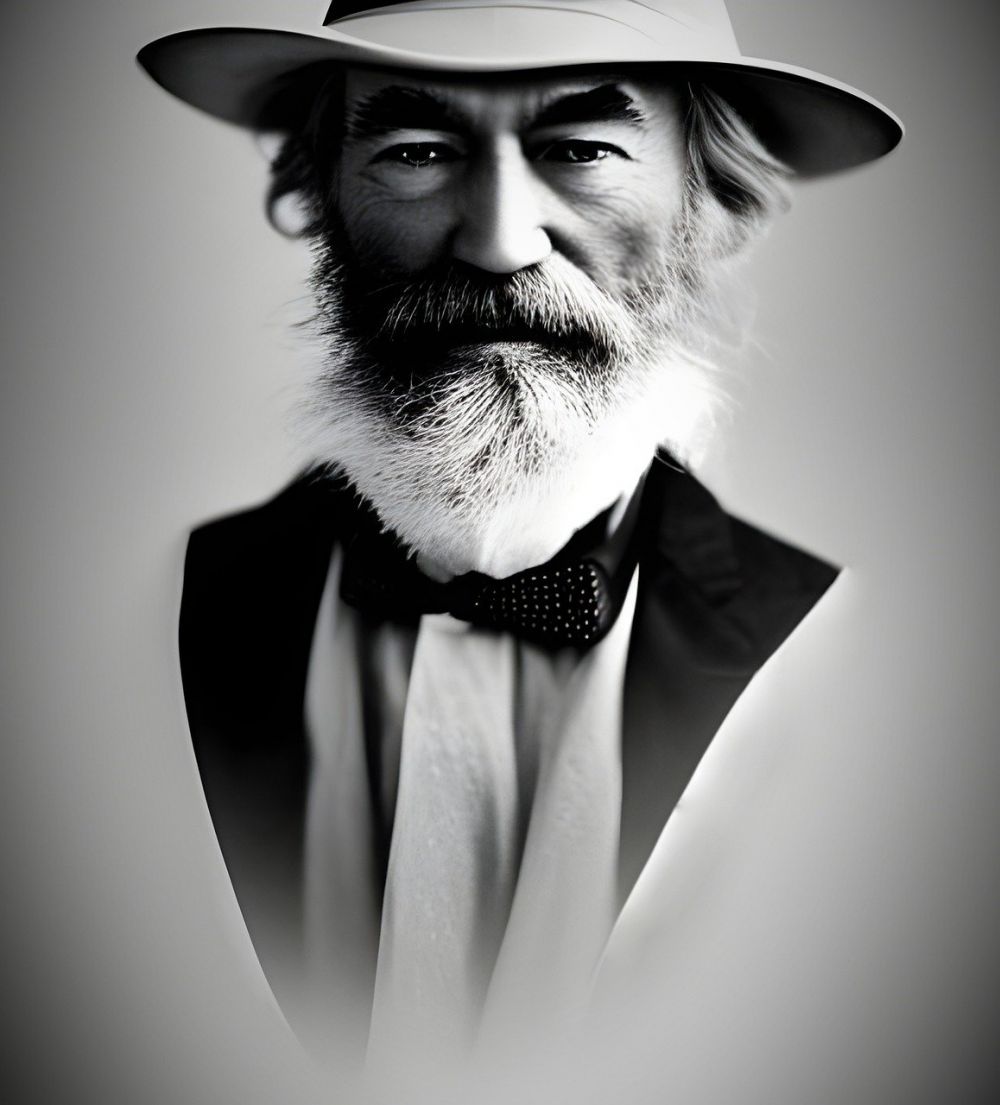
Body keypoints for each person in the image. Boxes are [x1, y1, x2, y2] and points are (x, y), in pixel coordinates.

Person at [138, 0, 902, 1083]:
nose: (498, 242)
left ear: (716, 205)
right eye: (417, 152)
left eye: (579, 150)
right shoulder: (139, 626)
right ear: (320, 197)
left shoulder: (854, 671)